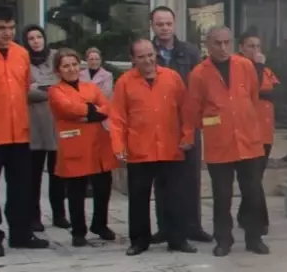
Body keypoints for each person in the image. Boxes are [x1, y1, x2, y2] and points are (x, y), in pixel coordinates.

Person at [183, 26, 269, 257]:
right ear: (208, 45)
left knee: (252, 192)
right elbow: (194, 110)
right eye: (217, 43)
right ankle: (223, 239)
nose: (222, 48)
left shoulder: (245, 66)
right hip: (219, 144)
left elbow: (252, 96)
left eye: (226, 43)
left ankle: (254, 238)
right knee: (222, 196)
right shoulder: (199, 73)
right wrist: (215, 124)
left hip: (248, 141)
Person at [0, 6, 49, 256]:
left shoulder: (20, 54)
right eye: (1, 28)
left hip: (19, 133)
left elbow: (24, 88)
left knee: (21, 187)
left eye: (11, 28)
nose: (7, 33)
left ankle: (21, 234)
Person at [111, 38, 196, 256]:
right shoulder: (124, 82)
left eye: (150, 54)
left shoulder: (172, 78)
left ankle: (178, 239)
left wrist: (188, 135)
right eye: (141, 56)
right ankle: (139, 240)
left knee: (175, 196)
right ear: (132, 59)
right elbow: (118, 117)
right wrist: (118, 145)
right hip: (140, 148)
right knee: (138, 197)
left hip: (171, 147)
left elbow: (186, 110)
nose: (147, 60)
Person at [150, 6, 212, 245]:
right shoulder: (147, 52)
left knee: (190, 176)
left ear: (174, 25)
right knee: (163, 177)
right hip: (159, 123)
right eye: (159, 24)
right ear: (153, 26)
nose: (164, 28)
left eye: (168, 23)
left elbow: (200, 84)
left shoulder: (190, 51)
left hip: (188, 120)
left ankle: (192, 226)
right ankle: (165, 227)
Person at [47, 48, 116, 246]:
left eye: (74, 65)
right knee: (76, 190)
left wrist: (88, 114)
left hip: (98, 144)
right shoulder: (55, 90)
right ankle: (78, 231)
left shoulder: (91, 87)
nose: (71, 69)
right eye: (66, 66)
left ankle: (100, 224)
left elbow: (107, 106)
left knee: (103, 187)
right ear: (58, 70)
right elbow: (67, 108)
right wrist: (92, 111)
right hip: (74, 144)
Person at [23, 25, 67, 232]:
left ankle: (59, 215)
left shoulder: (56, 57)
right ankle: (33, 217)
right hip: (34, 125)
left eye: (39, 36)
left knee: (58, 173)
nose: (36, 41)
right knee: (33, 175)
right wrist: (50, 89)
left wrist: (39, 89)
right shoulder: (22, 60)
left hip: (57, 123)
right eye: (31, 38)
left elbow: (64, 84)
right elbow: (23, 91)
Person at [237, 31, 279, 238]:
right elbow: (251, 92)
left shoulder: (266, 70)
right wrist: (258, 67)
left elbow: (273, 92)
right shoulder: (239, 69)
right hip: (246, 133)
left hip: (265, 133)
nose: (255, 50)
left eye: (258, 46)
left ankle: (244, 215)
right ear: (241, 49)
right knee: (252, 179)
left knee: (255, 178)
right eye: (250, 46)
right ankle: (259, 221)